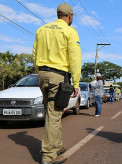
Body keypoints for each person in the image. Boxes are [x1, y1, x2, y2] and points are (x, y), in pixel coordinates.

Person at [33, 3, 81, 164]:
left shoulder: (42, 29)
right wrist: (76, 82)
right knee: (54, 114)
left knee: (52, 112)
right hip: (57, 77)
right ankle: (48, 156)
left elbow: (34, 53)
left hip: (42, 74)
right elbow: (75, 58)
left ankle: (58, 145)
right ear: (70, 16)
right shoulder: (70, 31)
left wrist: (40, 71)